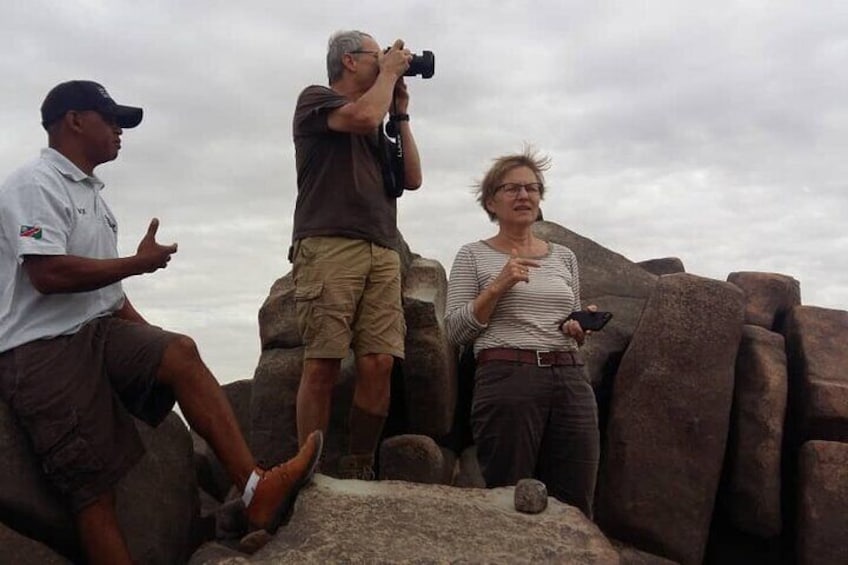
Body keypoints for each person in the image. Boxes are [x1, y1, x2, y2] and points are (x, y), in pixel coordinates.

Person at [0, 80, 323, 565]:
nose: (118, 131)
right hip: (41, 348)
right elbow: (47, 273)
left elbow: (109, 296)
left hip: (97, 332)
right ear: (73, 120)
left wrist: (150, 336)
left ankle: (258, 492)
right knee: (93, 490)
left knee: (180, 352)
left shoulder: (95, 198)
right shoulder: (35, 183)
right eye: (111, 120)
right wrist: (136, 262)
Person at [290, 30, 423, 479]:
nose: (388, 60)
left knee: (379, 361)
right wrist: (387, 77)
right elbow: (363, 117)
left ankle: (359, 465)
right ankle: (308, 471)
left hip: (381, 248)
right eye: (378, 54)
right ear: (349, 61)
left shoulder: (378, 116)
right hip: (328, 242)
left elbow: (413, 178)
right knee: (324, 362)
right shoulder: (315, 100)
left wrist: (401, 112)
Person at [444, 148, 600, 518]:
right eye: (512, 188)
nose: (524, 196)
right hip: (507, 376)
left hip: (569, 377)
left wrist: (577, 326)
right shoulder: (473, 255)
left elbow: (566, 321)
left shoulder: (564, 257)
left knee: (576, 500)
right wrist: (497, 286)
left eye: (532, 188)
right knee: (509, 500)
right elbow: (455, 330)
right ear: (491, 202)